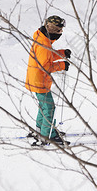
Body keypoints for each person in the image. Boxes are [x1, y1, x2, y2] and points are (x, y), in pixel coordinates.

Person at [25, 15, 71, 146]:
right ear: (52, 30)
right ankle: (46, 135)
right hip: (40, 81)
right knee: (49, 108)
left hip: (36, 79)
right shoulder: (44, 44)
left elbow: (47, 57)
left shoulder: (43, 39)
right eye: (59, 31)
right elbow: (46, 66)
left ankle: (40, 130)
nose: (61, 33)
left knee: (44, 107)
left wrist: (62, 53)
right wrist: (62, 65)